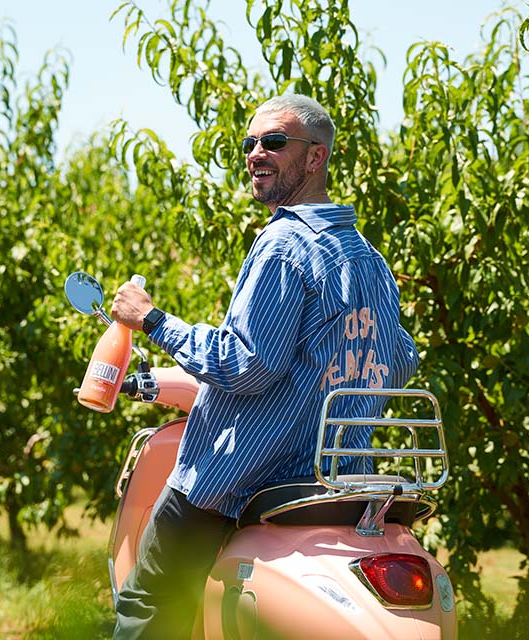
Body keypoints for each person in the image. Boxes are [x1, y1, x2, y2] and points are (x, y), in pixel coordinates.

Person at [109, 94, 419, 638]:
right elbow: (399, 361)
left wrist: (152, 320)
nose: (256, 153)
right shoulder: (368, 257)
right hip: (338, 479)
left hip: (239, 481)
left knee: (147, 610)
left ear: (316, 157)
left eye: (274, 142)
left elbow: (245, 364)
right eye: (250, 143)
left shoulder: (283, 245)